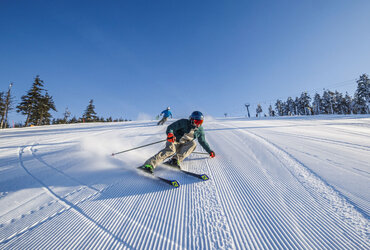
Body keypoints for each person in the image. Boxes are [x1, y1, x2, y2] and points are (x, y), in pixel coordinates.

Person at [141, 111, 215, 173]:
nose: (198, 124)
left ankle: (175, 160)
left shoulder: (200, 130)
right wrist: (170, 134)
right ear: (192, 120)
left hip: (184, 144)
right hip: (174, 140)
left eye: (200, 122)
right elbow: (171, 127)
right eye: (197, 121)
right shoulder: (183, 122)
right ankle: (149, 165)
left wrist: (209, 151)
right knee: (170, 150)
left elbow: (203, 141)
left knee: (193, 144)